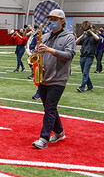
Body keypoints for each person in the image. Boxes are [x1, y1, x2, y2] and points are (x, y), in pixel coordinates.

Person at [31, 9, 75, 148]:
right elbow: (38, 54)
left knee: (49, 108)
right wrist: (38, 63)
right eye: (50, 19)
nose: (52, 22)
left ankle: (44, 138)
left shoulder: (69, 37)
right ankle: (59, 132)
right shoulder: (45, 36)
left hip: (58, 78)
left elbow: (68, 55)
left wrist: (49, 50)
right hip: (44, 76)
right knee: (49, 107)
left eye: (55, 19)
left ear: (62, 21)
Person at [76, 21, 100, 92]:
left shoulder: (94, 36)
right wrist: (83, 35)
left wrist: (91, 32)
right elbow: (76, 42)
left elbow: (98, 39)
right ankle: (90, 86)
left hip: (90, 56)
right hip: (82, 56)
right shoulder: (85, 36)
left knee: (85, 72)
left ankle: (82, 87)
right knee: (84, 72)